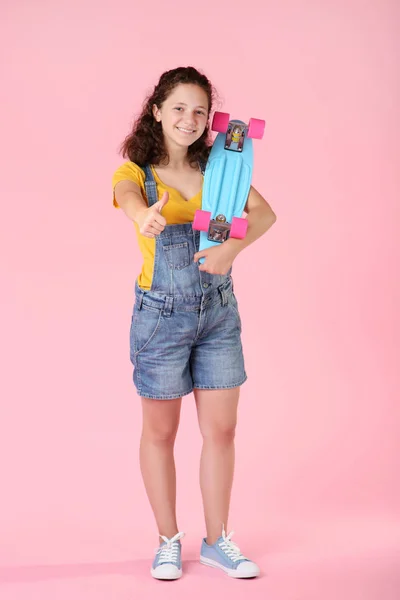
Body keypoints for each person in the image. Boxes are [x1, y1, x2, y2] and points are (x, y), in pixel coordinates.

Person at [112, 66, 276, 580]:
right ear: (156, 111)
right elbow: (127, 200)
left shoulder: (222, 169)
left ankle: (216, 540)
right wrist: (143, 216)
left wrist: (230, 250)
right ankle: (167, 540)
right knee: (160, 433)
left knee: (222, 430)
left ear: (210, 120)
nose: (189, 118)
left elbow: (265, 214)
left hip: (218, 313)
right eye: (178, 107)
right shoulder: (135, 174)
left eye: (199, 110)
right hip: (160, 317)